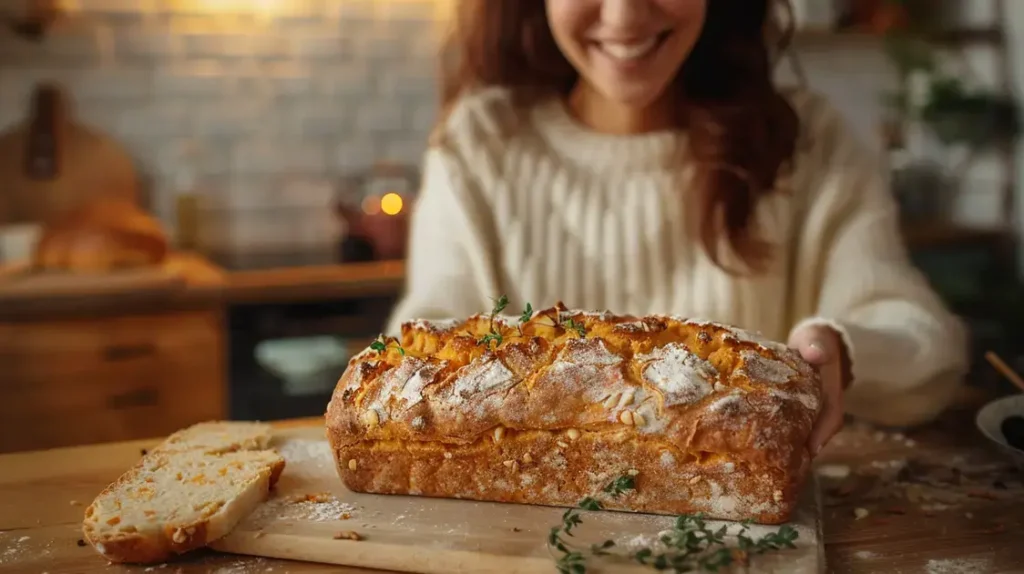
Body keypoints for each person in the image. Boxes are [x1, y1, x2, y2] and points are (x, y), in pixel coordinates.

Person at [384, 0, 969, 455]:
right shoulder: (480, 144)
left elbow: (928, 348)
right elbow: (416, 366)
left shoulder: (808, 141)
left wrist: (844, 349)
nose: (624, 15)